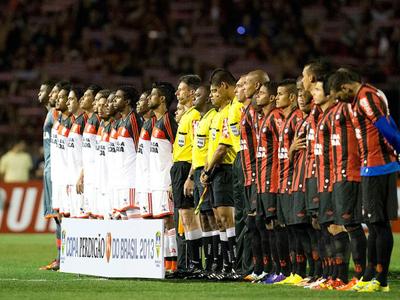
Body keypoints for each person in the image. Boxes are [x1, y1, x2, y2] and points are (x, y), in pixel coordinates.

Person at [329, 70, 400, 292]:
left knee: (379, 224)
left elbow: (385, 126)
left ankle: (381, 280)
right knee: (372, 224)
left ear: (345, 87)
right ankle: (371, 277)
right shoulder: (356, 101)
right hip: (369, 169)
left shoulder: (366, 96)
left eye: (337, 95)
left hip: (381, 167)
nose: (338, 100)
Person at [200, 69, 240, 280]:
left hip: (225, 168)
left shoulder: (230, 112)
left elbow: (222, 148)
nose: (212, 95)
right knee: (219, 220)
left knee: (226, 218)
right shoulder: (217, 115)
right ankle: (226, 264)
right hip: (215, 170)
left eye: (215, 90)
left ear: (225, 87)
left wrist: (207, 170)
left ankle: (234, 264)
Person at [241, 70, 271, 282]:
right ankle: (259, 269)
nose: (243, 88)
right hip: (250, 175)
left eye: (246, 84)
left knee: (262, 224)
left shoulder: (259, 112)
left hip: (260, 175)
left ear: (258, 85)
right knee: (254, 225)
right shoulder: (248, 110)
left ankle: (269, 268)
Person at [253, 81, 284, 284]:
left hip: (273, 180)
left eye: (262, 92)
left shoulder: (276, 118)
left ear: (272, 97)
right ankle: (273, 269)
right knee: (266, 225)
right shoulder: (264, 118)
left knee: (275, 225)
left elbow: (285, 143)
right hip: (263, 180)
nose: (258, 96)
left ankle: (283, 270)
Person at [171, 75, 203, 276]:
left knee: (189, 217)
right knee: (184, 217)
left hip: (186, 168)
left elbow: (195, 150)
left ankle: (195, 263)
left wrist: (190, 176)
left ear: (191, 93)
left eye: (180, 90)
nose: (177, 93)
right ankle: (189, 264)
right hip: (179, 167)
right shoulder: (186, 116)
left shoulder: (194, 117)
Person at [274, 79, 303, 284]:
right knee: (289, 228)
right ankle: (294, 272)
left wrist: (292, 151)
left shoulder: (296, 118)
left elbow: (301, 151)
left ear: (291, 97)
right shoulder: (285, 119)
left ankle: (304, 272)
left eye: (280, 94)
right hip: (283, 182)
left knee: (299, 229)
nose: (276, 97)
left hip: (295, 181)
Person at [148, 82, 178, 271]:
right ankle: (166, 262)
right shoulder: (155, 122)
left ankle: (173, 263)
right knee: (162, 221)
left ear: (162, 99)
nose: (150, 98)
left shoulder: (168, 121)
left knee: (169, 220)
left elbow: (178, 150)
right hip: (157, 180)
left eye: (153, 95)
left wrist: (172, 180)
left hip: (166, 180)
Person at [191, 85, 219, 275]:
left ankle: (217, 260)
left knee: (212, 217)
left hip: (207, 170)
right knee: (204, 217)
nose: (194, 97)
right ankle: (208, 263)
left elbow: (213, 147)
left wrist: (207, 171)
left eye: (198, 95)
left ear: (207, 99)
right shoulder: (201, 119)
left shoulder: (212, 118)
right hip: (198, 170)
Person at [113, 86, 143, 219]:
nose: (114, 100)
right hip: (121, 178)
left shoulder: (134, 120)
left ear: (127, 101)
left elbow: (140, 149)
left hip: (132, 179)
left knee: (133, 220)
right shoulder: (120, 122)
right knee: (123, 219)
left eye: (118, 97)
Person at [78, 85, 102, 217]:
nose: (83, 99)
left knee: (97, 214)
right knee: (91, 215)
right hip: (88, 176)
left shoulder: (98, 120)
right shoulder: (88, 121)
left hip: (97, 177)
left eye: (87, 96)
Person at [65, 86, 87, 218]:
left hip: (81, 181)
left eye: (71, 99)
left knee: (84, 221)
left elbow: (90, 152)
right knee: (74, 220)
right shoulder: (73, 122)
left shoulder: (84, 121)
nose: (68, 102)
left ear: (80, 101)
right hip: (72, 180)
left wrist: (82, 176)